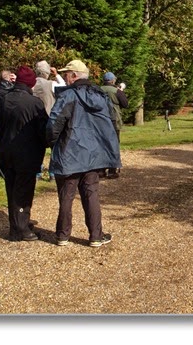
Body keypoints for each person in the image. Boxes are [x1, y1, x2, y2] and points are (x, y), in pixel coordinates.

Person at [47, 59, 120, 247]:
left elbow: (54, 123)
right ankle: (96, 235)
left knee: (66, 195)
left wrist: (50, 142)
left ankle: (63, 235)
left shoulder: (68, 96)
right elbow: (110, 124)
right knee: (91, 194)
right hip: (93, 154)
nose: (64, 77)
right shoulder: (101, 96)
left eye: (67, 73)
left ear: (74, 76)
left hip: (69, 153)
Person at [0, 65, 48, 242]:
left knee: (11, 188)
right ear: (30, 84)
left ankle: (17, 223)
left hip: (6, 150)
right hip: (27, 153)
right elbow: (43, 130)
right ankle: (20, 229)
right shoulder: (34, 103)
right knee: (24, 190)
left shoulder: (4, 99)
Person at [31, 60, 66, 181]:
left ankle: (37, 173)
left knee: (36, 147)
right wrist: (56, 74)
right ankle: (52, 173)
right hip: (49, 117)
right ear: (47, 72)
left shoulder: (31, 84)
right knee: (54, 147)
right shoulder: (51, 84)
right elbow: (64, 87)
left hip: (33, 119)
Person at [99, 71, 128, 179]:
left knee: (101, 145)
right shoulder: (117, 91)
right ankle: (112, 170)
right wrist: (121, 91)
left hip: (100, 121)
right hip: (114, 120)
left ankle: (101, 170)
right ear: (113, 80)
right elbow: (125, 104)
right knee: (114, 144)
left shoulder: (98, 90)